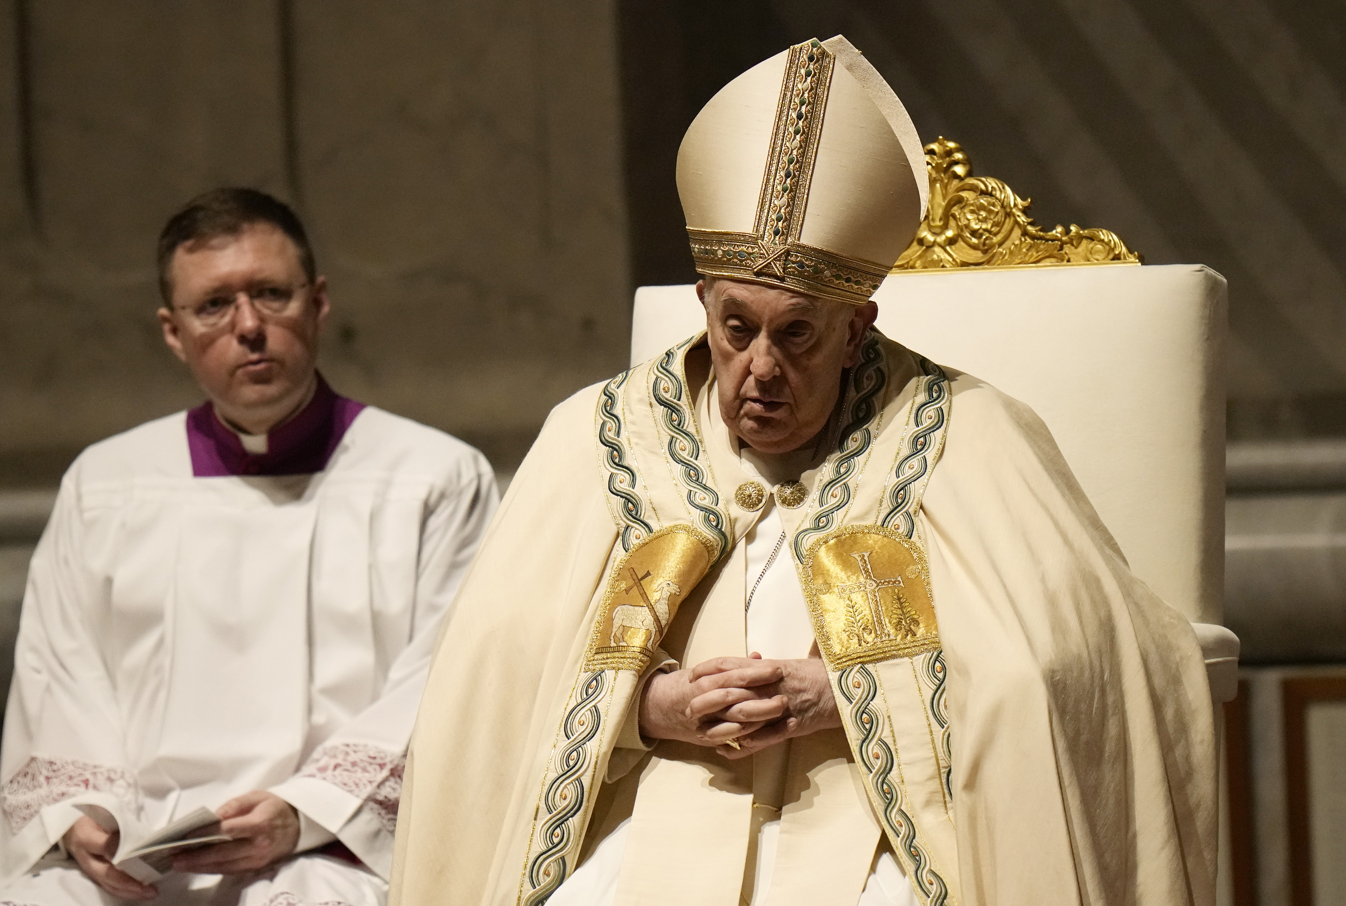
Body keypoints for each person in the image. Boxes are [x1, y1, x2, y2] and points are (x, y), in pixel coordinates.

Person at [390, 36, 1220, 906]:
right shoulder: (600, 437)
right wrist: (644, 705)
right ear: (703, 306)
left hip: (886, 817)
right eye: (736, 328)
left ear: (857, 328)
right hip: (651, 799)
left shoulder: (965, 432)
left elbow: (1092, 660)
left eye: (797, 335)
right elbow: (490, 677)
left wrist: (856, 689)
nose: (760, 369)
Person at [0, 189, 498, 906]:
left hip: (331, 847)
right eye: (214, 306)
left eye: (271, 294)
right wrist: (83, 818)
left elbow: (447, 684)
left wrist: (305, 812)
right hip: (141, 847)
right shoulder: (105, 486)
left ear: (318, 303)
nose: (249, 326)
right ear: (172, 331)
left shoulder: (432, 478)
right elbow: (60, 676)